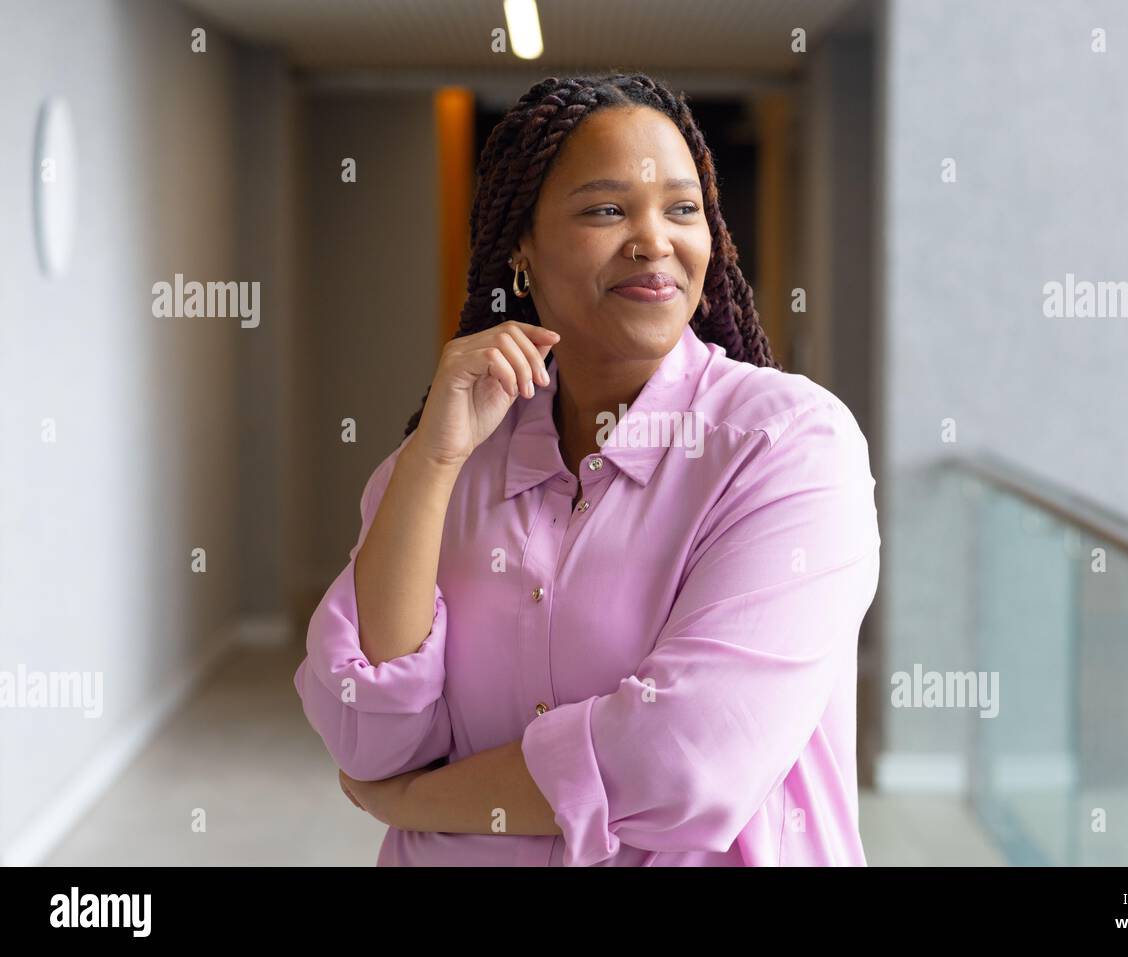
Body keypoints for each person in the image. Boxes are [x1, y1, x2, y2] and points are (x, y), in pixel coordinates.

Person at [293, 72, 881, 866]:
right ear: (521, 251)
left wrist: (416, 801)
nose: (653, 239)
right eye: (607, 209)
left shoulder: (787, 445)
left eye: (682, 208)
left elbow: (683, 760)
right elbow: (368, 729)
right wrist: (433, 461)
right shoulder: (449, 457)